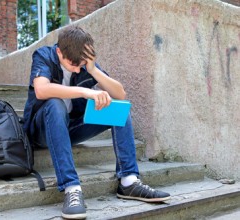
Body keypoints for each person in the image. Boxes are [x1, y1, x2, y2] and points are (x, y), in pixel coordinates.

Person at [23, 25, 170, 219]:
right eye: (73, 64)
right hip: (41, 130)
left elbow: (120, 93)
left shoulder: (85, 64)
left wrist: (93, 69)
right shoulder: (44, 55)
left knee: (118, 110)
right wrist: (86, 91)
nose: (77, 69)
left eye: (81, 64)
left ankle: (128, 181)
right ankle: (71, 188)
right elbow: (41, 90)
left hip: (70, 129)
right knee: (55, 104)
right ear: (59, 51)